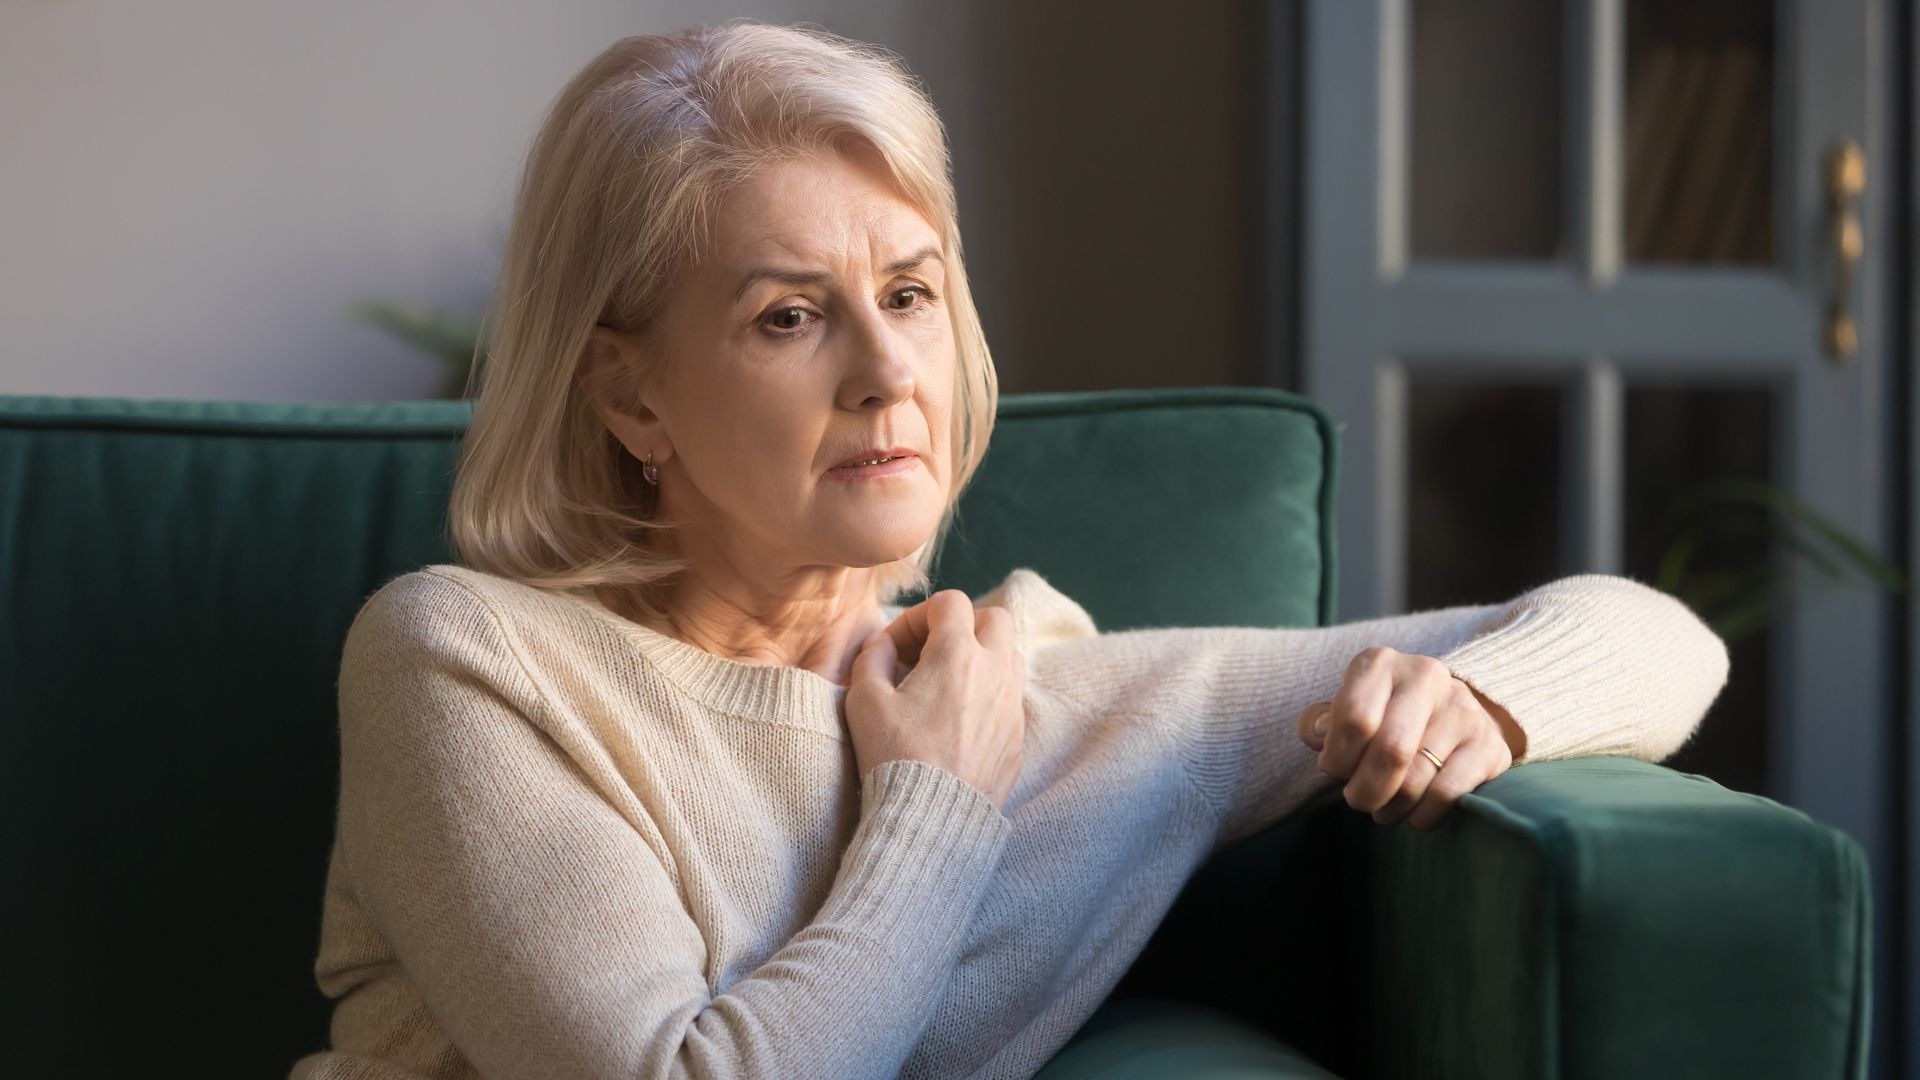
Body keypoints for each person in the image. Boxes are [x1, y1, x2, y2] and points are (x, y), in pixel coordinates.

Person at [289, 19, 1731, 1080]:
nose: (885, 372)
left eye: (909, 294)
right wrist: (931, 800)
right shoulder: (466, 663)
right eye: (789, 316)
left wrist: (1484, 699)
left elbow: (1660, 636)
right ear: (627, 390)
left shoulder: (1016, 684)